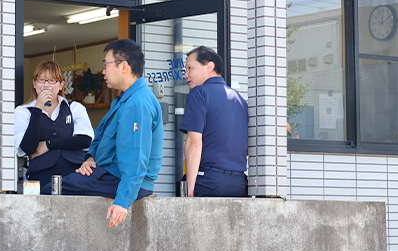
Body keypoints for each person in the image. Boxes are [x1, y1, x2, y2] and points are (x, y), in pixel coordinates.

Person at [42, 39, 164, 227]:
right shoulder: (124, 99)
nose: (104, 72)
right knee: (56, 184)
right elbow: (99, 136)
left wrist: (122, 201)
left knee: (52, 189)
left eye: (105, 65)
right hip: (108, 173)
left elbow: (135, 156)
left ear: (123, 66)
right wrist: (90, 159)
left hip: (120, 179)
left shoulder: (137, 103)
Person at [179, 46, 248, 197]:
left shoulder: (199, 93)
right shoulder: (239, 99)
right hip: (239, 183)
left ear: (210, 67)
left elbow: (194, 143)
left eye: (190, 68)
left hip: (208, 181)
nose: (186, 75)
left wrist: (189, 189)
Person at [14, 61, 94, 189]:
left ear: (61, 85)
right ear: (34, 84)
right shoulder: (24, 112)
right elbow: (28, 147)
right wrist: (37, 109)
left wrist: (49, 144)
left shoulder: (74, 108)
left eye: (52, 80)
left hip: (75, 173)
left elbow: (84, 140)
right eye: (41, 80)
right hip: (41, 175)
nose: (46, 84)